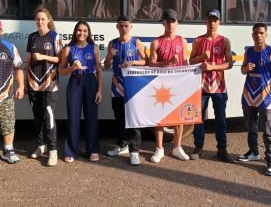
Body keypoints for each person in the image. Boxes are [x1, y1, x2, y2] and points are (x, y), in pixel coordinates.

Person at [238, 23, 271, 176]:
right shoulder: (248, 51)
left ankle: (270, 159)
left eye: (261, 33)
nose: (258, 35)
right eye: (256, 33)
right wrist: (246, 69)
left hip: (266, 97)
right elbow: (242, 69)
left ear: (266, 34)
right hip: (249, 95)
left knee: (268, 129)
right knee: (250, 125)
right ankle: (253, 151)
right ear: (252, 35)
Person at [189, 9, 233, 163]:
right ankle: (198, 147)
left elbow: (230, 63)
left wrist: (213, 67)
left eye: (215, 20)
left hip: (219, 86)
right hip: (201, 86)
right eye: (209, 20)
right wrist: (201, 57)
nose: (212, 23)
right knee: (198, 118)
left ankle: (222, 149)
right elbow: (190, 61)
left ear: (219, 22)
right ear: (205, 22)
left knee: (220, 119)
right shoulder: (198, 40)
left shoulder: (224, 41)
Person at [104, 15, 148, 166]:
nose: (123, 28)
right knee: (119, 118)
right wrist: (110, 54)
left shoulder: (136, 42)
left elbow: (146, 61)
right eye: (121, 26)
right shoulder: (112, 43)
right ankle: (122, 145)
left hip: (132, 87)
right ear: (117, 27)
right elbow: (107, 65)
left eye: (126, 26)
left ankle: (134, 151)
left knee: (133, 119)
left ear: (131, 27)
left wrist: (133, 62)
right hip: (116, 87)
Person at [149, 9, 189, 163]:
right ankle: (159, 149)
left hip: (178, 84)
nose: (170, 24)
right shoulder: (156, 42)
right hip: (162, 85)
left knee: (179, 118)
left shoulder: (183, 41)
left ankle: (177, 147)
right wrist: (167, 62)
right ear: (163, 23)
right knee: (160, 118)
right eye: (168, 21)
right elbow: (151, 64)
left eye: (173, 21)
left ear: (177, 23)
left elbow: (185, 63)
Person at [60, 21, 102, 163]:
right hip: (75, 82)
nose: (82, 33)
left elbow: (99, 70)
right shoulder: (68, 49)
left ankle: (93, 150)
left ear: (88, 33)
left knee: (91, 117)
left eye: (85, 31)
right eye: (79, 30)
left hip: (91, 81)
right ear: (75, 32)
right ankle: (71, 150)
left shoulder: (94, 48)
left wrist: (99, 90)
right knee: (73, 117)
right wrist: (72, 68)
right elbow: (62, 71)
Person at [26, 6, 62, 166]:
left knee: (48, 115)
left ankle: (53, 150)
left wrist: (43, 56)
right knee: (37, 116)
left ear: (48, 20)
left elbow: (60, 59)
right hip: (33, 82)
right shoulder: (32, 37)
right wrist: (26, 83)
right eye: (38, 19)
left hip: (50, 82)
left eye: (42, 19)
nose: (40, 21)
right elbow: (28, 60)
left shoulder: (54, 36)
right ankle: (41, 146)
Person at [0, 20, 24, 164]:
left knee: (8, 123)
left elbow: (19, 67)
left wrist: (21, 86)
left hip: (5, 95)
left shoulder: (9, 47)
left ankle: (8, 150)